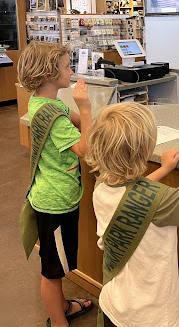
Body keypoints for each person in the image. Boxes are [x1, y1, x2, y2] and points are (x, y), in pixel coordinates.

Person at [85, 103, 179, 327]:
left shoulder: (101, 185)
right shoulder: (161, 202)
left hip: (114, 305)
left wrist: (163, 170)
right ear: (144, 151)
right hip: (150, 316)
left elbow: (133, 196)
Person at [17, 42, 93, 327]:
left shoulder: (43, 103)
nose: (71, 70)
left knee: (56, 264)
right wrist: (85, 109)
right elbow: (83, 149)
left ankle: (62, 306)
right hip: (56, 204)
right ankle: (59, 321)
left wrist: (81, 117)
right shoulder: (53, 114)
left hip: (49, 197)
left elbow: (70, 120)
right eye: (66, 66)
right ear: (50, 74)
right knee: (51, 272)